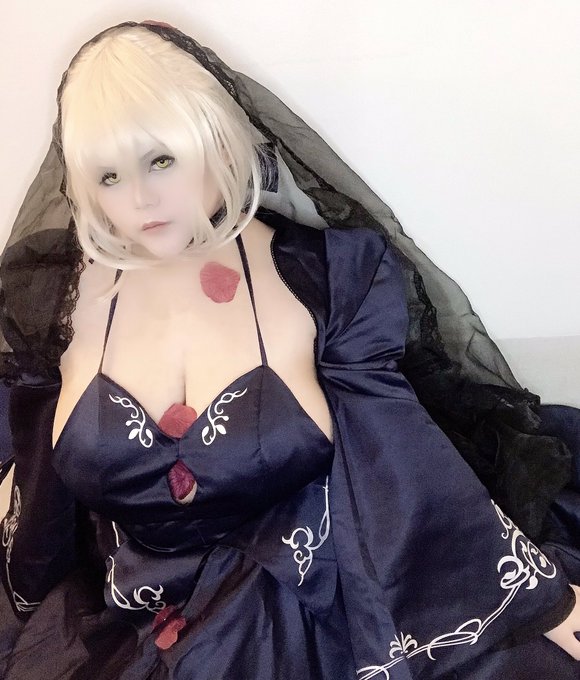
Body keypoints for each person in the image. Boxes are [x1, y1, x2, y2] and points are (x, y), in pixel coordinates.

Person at [1, 19, 580, 679]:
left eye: (162, 160)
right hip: (128, 619)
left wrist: (538, 601)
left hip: (313, 608)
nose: (139, 199)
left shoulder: (325, 281)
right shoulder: (52, 300)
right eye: (108, 176)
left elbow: (395, 452)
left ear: (216, 140)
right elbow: (36, 481)